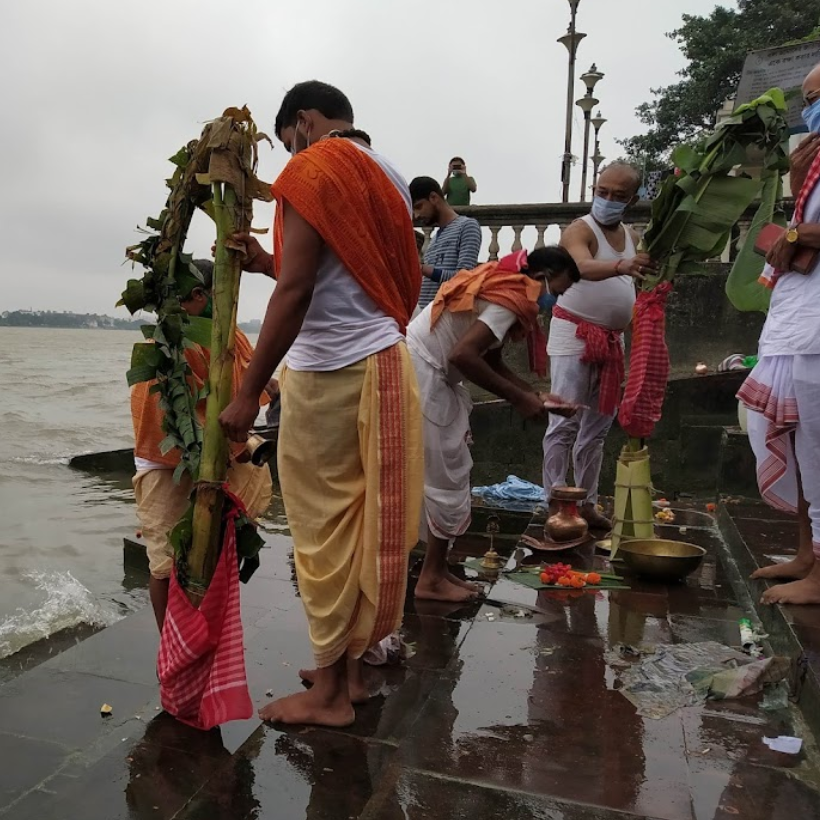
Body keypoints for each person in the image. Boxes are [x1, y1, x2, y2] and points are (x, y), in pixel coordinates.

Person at [218, 80, 423, 727]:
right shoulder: (386, 174)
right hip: (386, 366)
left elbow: (303, 287)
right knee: (364, 526)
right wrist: (266, 264)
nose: (288, 158)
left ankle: (330, 694)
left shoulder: (313, 169)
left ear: (304, 122)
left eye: (287, 142)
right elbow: (343, 276)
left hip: (330, 376)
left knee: (322, 532)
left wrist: (249, 391)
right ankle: (352, 673)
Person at [408, 247, 581, 602]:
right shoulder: (510, 299)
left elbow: (491, 361)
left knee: (450, 476)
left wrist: (535, 394)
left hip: (427, 374)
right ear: (540, 277)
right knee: (446, 480)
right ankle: (431, 579)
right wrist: (519, 400)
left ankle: (437, 572)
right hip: (423, 377)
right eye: (557, 291)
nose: (553, 301)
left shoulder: (503, 288)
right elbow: (462, 356)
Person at [131, 261, 273, 631]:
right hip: (167, 463)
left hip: (221, 459)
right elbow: (164, 424)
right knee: (164, 562)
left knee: (216, 554)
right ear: (199, 296)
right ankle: (171, 645)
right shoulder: (170, 343)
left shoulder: (228, 333)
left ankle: (210, 634)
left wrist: (267, 385)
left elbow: (248, 371)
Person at [737, 64, 820, 606]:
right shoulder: (812, 165)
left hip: (816, 330)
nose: (809, 110)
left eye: (815, 98)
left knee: (819, 447)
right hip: (799, 321)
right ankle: (806, 554)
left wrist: (793, 232)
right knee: (798, 439)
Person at [544, 162, 656, 530]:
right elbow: (582, 266)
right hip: (574, 335)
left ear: (632, 200)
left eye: (617, 196)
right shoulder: (581, 229)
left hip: (612, 341)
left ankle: (587, 502)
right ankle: (556, 502)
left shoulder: (631, 235)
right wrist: (622, 266)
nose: (607, 200)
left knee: (597, 429)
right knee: (563, 423)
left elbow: (635, 289)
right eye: (601, 192)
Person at [410, 176, 482, 312]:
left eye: (419, 207)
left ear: (433, 197)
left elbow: (464, 280)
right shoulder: (432, 242)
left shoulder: (467, 226)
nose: (417, 216)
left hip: (444, 320)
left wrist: (422, 269)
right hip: (424, 319)